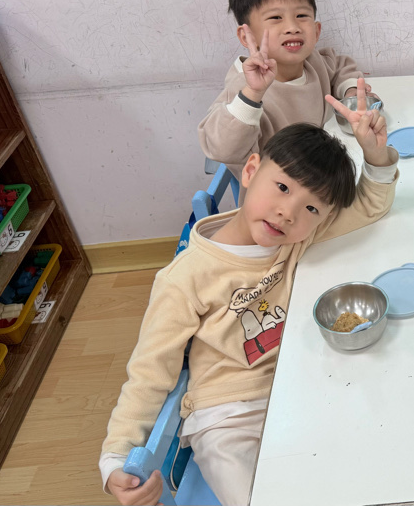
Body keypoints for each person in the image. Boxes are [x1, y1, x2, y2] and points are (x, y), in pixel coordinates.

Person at [102, 86, 398, 506]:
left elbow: (370, 205)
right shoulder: (186, 277)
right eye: (282, 187)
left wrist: (374, 154)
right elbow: (149, 372)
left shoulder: (295, 238)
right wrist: (116, 457)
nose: (288, 212)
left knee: (369, 458)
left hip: (299, 387)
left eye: (312, 208)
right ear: (251, 169)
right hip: (225, 415)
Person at [198, 0, 374, 173]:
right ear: (247, 36)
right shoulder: (244, 91)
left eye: (301, 16)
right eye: (275, 18)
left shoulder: (313, 61)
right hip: (278, 188)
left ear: (316, 31)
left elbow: (339, 66)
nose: (292, 27)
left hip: (320, 169)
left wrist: (350, 91)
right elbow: (221, 149)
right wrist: (252, 94)